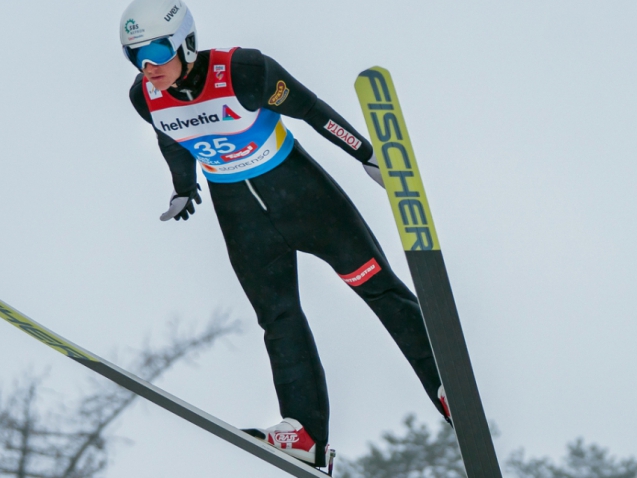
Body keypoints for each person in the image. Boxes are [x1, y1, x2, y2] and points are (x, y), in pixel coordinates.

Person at [120, 0, 449, 468]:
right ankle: (306, 433)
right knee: (278, 319)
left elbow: (312, 110)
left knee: (376, 287)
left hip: (303, 197)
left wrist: (366, 153)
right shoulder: (143, 97)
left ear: (185, 43)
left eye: (155, 51)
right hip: (240, 216)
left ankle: (444, 386)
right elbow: (170, 136)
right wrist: (183, 186)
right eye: (135, 56)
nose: (147, 67)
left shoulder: (243, 71)